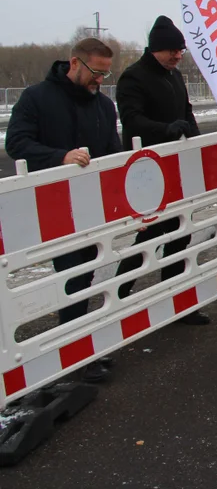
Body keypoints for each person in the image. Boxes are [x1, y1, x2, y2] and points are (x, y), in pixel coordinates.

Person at [5, 37, 124, 383]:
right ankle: (70, 356)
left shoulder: (103, 106)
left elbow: (113, 154)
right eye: (96, 73)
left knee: (85, 277)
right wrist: (61, 157)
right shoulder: (36, 98)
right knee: (72, 277)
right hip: (51, 207)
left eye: (105, 75)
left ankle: (78, 349)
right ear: (74, 63)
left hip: (92, 207)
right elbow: (17, 143)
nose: (100, 81)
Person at [114, 15, 210, 325]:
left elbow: (186, 114)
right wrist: (166, 129)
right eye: (172, 51)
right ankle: (119, 294)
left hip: (175, 167)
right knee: (151, 233)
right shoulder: (134, 77)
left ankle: (176, 298)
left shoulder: (175, 76)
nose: (178, 56)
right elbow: (131, 120)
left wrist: (196, 143)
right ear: (156, 49)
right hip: (145, 171)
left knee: (181, 233)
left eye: (181, 51)